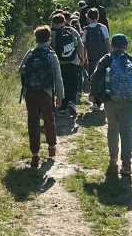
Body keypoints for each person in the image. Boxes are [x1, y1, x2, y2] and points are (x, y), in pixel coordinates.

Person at [90, 33, 132, 181]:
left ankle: (113, 157)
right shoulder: (130, 59)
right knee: (126, 132)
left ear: (111, 46)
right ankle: (127, 166)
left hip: (110, 100)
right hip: (128, 101)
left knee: (113, 128)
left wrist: (93, 94)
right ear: (126, 46)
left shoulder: (106, 59)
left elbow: (95, 76)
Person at [18, 25, 64, 170]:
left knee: (33, 121)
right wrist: (60, 95)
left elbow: (20, 70)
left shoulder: (30, 53)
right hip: (46, 91)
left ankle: (35, 155)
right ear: (49, 39)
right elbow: (57, 77)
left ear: (36, 39)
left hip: (30, 92)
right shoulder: (51, 55)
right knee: (49, 118)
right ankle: (51, 148)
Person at [51, 11, 84, 116]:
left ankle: (62, 107)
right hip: (73, 62)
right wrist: (82, 58)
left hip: (58, 64)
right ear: (64, 21)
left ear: (53, 23)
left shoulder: (52, 34)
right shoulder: (72, 31)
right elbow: (80, 46)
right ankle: (71, 103)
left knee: (61, 84)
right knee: (72, 84)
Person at [83, 7, 110, 99]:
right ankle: (103, 96)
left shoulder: (86, 29)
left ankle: (93, 97)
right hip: (103, 56)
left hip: (91, 57)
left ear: (88, 17)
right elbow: (107, 42)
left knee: (93, 77)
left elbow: (84, 45)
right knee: (103, 76)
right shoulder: (103, 27)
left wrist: (84, 58)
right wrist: (112, 54)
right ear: (98, 17)